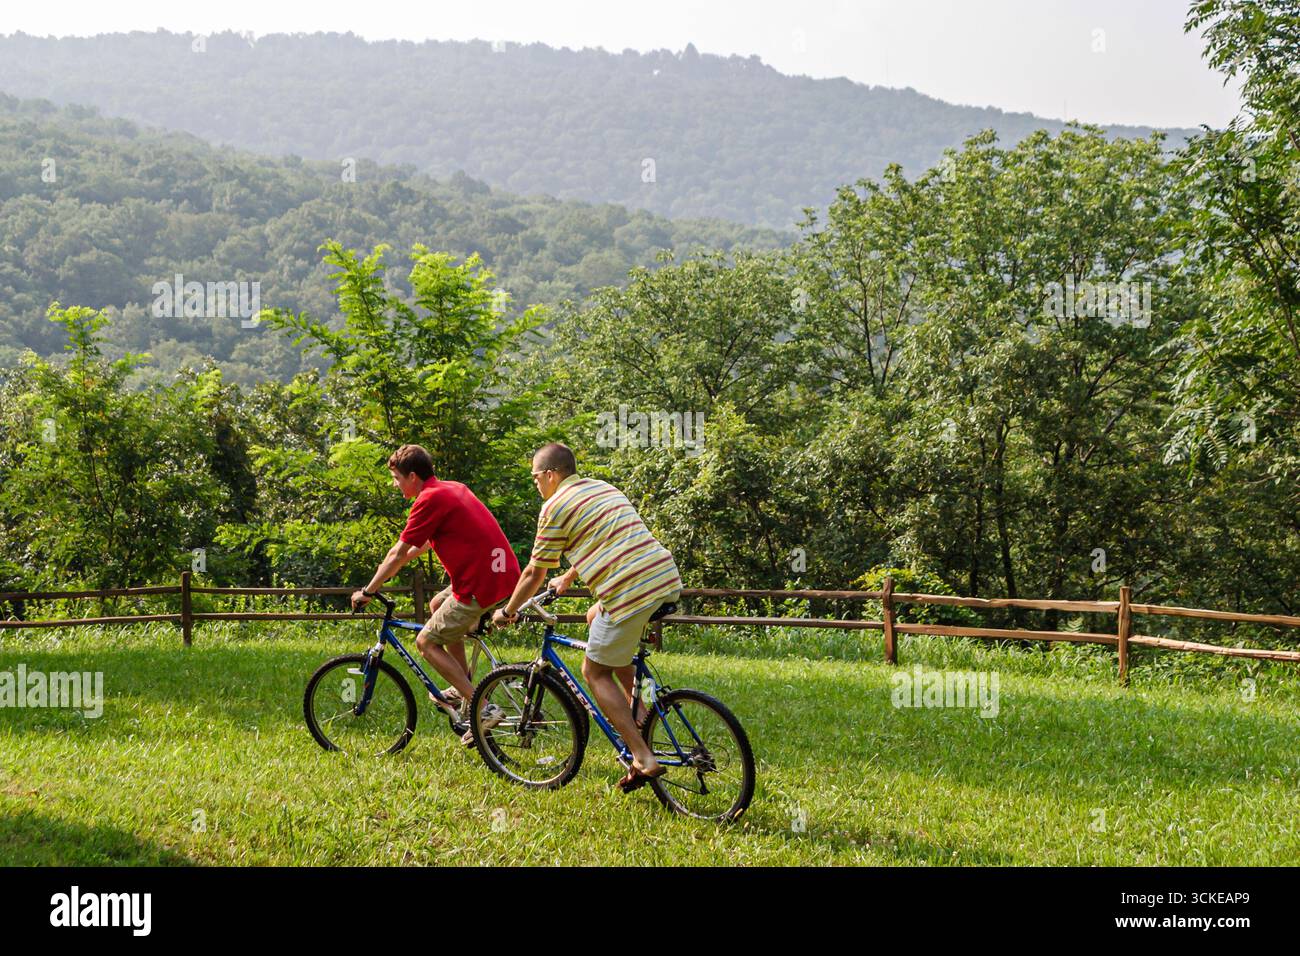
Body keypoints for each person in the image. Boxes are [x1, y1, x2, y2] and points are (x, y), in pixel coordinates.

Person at [494, 442, 682, 791]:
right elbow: (608, 539)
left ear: (550, 475)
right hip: (664, 577)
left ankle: (643, 756)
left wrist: (509, 610)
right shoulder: (602, 488)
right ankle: (640, 713)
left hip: (629, 591)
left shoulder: (554, 507)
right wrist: (567, 577)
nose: (536, 485)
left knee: (593, 672)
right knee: (595, 615)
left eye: (536, 477)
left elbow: (534, 571)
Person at [351, 444, 519, 742]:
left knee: (426, 642)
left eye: (397, 478)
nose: (395, 484)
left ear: (412, 476)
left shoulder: (428, 500)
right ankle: (462, 682)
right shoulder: (451, 489)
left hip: (479, 585)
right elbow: (422, 545)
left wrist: (368, 590)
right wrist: (397, 561)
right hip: (502, 574)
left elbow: (397, 553)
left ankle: (484, 709)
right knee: (438, 603)